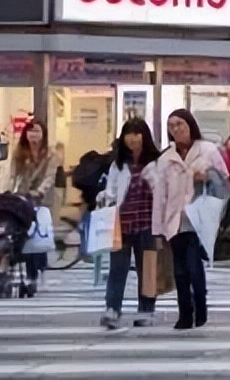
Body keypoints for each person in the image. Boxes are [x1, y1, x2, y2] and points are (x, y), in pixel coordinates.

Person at [152, 109, 229, 330]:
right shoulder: (166, 158)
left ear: (190, 125)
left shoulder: (207, 150)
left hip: (200, 216)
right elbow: (160, 196)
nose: (176, 129)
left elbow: (224, 180)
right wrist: (157, 230)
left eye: (180, 124)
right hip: (175, 219)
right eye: (172, 125)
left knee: (194, 265)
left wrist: (206, 177)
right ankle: (185, 312)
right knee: (180, 269)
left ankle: (200, 306)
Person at [99, 118, 161, 329]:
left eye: (137, 133)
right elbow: (111, 190)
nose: (132, 139)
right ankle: (112, 309)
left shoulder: (155, 162)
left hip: (147, 223)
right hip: (121, 223)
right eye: (128, 134)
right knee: (118, 268)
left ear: (145, 136)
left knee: (148, 269)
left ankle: (146, 309)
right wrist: (106, 199)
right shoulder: (118, 164)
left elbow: (161, 191)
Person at [6, 118, 59, 288]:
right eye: (30, 131)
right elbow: (13, 175)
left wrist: (40, 192)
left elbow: (50, 177)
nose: (33, 135)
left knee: (40, 235)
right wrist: (10, 192)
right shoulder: (19, 151)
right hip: (22, 199)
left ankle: (40, 270)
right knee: (26, 236)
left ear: (43, 134)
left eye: (37, 131)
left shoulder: (51, 154)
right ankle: (30, 274)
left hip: (42, 200)